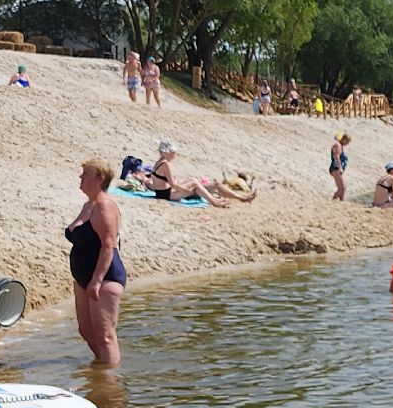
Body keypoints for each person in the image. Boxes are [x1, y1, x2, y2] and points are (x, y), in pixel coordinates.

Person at [66, 159, 126, 365]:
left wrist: (97, 280)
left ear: (100, 179)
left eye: (86, 174)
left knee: (105, 336)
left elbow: (109, 245)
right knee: (86, 331)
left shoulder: (105, 206)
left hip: (105, 277)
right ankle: (101, 368)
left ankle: (109, 387)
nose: (80, 177)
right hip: (84, 276)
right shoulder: (89, 205)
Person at [139, 140, 254, 208]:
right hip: (166, 194)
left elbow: (166, 182)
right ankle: (215, 201)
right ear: (166, 153)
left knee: (215, 185)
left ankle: (242, 198)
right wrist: (186, 191)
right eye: (173, 152)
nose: (175, 155)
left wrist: (185, 185)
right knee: (194, 182)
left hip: (164, 193)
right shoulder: (166, 164)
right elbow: (173, 185)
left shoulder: (159, 162)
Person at [328, 133, 350, 201]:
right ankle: (333, 201)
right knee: (341, 188)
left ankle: (341, 202)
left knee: (343, 188)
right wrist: (340, 168)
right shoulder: (338, 145)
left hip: (337, 168)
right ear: (344, 139)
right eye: (347, 141)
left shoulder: (340, 146)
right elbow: (336, 156)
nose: (348, 143)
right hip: (336, 168)